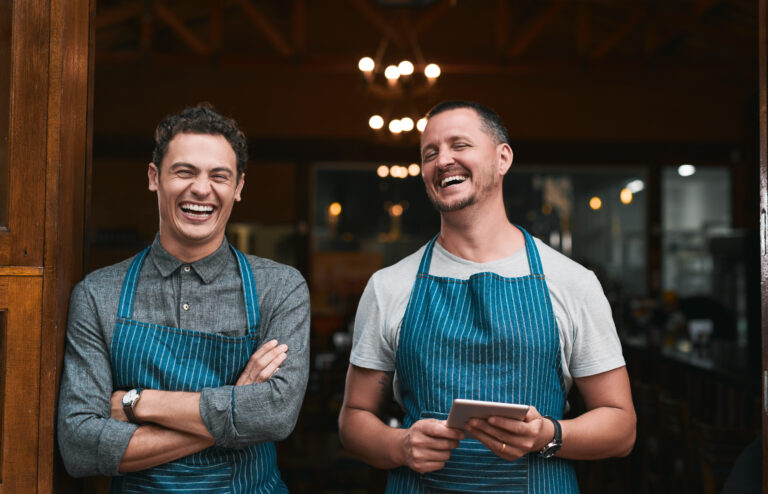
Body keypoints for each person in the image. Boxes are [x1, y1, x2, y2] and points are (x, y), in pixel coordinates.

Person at [338, 100, 636, 492]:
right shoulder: (389, 286)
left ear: (502, 158)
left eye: (459, 145)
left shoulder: (572, 282)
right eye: (430, 153)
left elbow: (621, 426)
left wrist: (548, 434)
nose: (442, 160)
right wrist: (400, 444)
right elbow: (353, 420)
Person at [57, 104, 310, 492]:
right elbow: (80, 445)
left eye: (219, 176)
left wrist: (137, 403)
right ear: (154, 177)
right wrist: (236, 408)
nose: (201, 189)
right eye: (184, 171)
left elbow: (276, 415)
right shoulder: (97, 294)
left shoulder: (280, 287)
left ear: (239, 187)